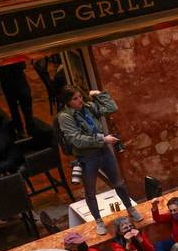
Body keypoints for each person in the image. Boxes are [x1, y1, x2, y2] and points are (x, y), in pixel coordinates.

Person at [57, 86, 143, 235]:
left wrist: (98, 94)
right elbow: (77, 140)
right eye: (75, 99)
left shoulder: (88, 107)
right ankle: (98, 221)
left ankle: (130, 208)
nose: (79, 101)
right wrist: (102, 138)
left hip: (103, 151)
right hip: (87, 156)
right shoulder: (65, 117)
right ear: (67, 102)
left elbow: (112, 107)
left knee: (118, 183)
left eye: (80, 97)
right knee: (90, 191)